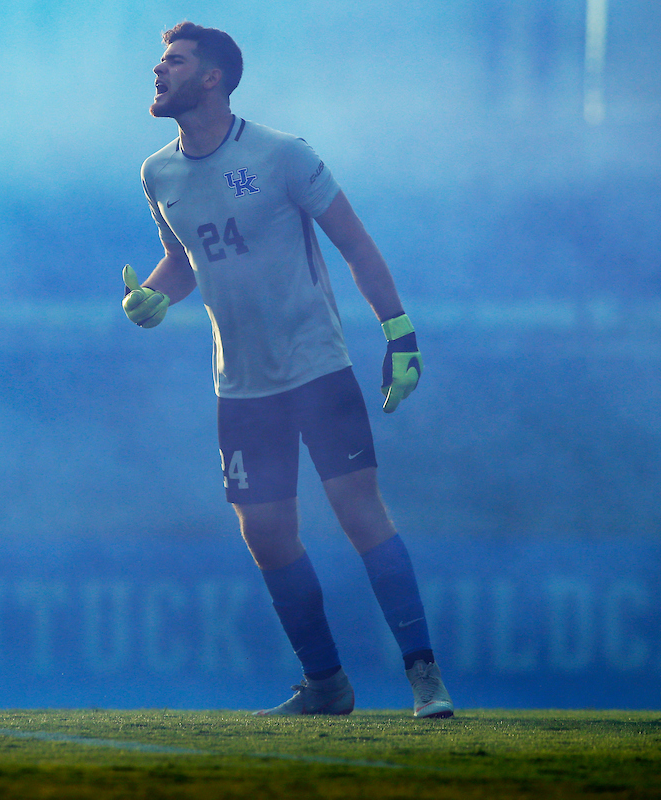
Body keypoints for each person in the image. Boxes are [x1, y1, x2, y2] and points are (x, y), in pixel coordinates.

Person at [122, 21, 453, 719]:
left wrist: (400, 334)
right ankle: (326, 686)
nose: (159, 72)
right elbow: (183, 263)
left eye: (174, 62)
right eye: (160, 62)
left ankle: (424, 676)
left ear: (211, 77)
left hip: (316, 367)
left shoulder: (282, 155)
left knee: (361, 515)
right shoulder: (158, 173)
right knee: (266, 534)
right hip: (239, 385)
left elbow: (356, 245)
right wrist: (153, 294)